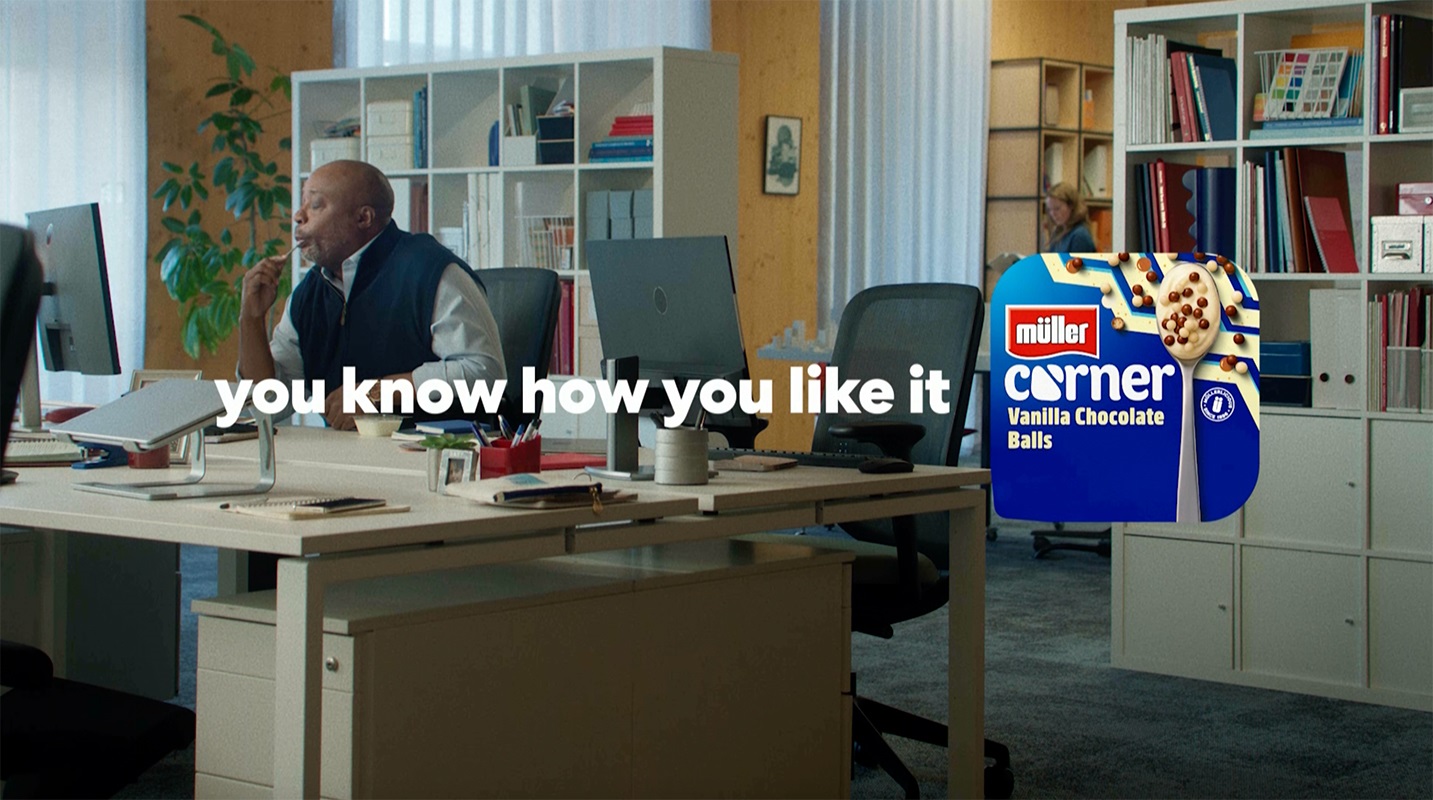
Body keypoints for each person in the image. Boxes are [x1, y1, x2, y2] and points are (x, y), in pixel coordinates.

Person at [239, 159, 505, 430]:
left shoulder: (430, 271)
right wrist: (251, 319)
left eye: (315, 205)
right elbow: (267, 406)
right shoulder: (308, 294)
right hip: (346, 453)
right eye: (302, 204)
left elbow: (485, 374)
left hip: (436, 450)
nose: (298, 216)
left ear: (363, 218)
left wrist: (376, 393)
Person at [1043, 182, 1096, 253]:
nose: (1053, 214)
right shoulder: (1059, 232)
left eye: (1057, 208)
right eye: (1050, 209)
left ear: (1071, 206)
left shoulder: (1079, 235)